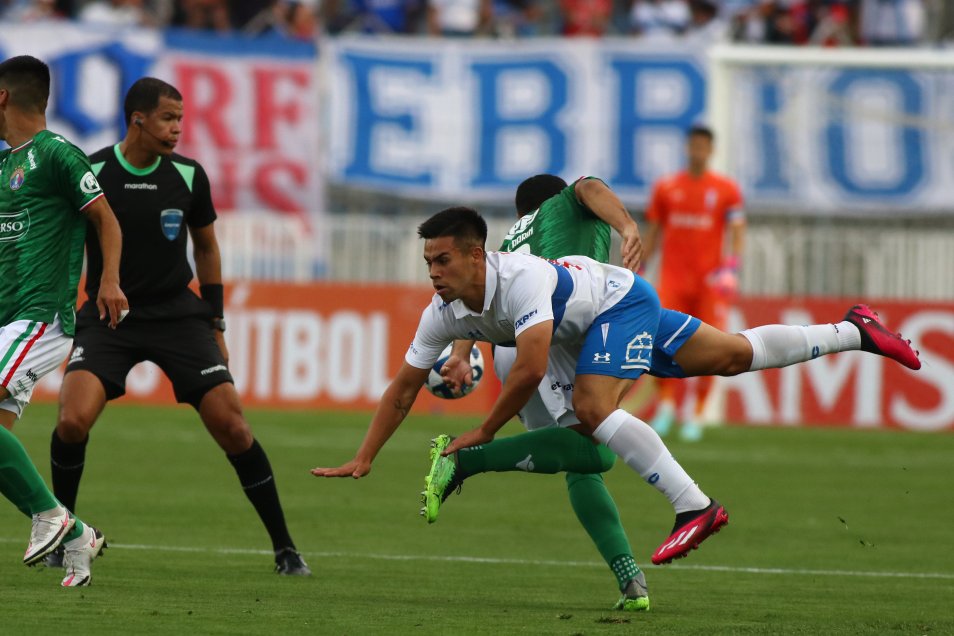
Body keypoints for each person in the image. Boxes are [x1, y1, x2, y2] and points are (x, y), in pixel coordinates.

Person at [312, 206, 920, 594]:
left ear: (477, 255)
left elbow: (529, 368)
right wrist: (364, 457)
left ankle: (694, 506)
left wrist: (485, 431)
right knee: (734, 355)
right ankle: (855, 330)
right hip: (593, 322)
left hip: (621, 303)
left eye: (442, 259)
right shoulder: (441, 312)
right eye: (427, 262)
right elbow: (403, 389)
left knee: (593, 410)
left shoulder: (520, 279)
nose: (433, 272)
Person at [45, 77, 310, 576]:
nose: (177, 129)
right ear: (137, 120)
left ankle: (285, 548)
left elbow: (206, 249)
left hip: (177, 317)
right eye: (168, 119)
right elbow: (63, 241)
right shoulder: (93, 171)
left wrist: (217, 322)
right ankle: (61, 534)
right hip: (109, 318)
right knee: (71, 421)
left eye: (181, 120)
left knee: (234, 427)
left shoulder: (189, 175)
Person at [444, 175, 651, 611]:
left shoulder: (508, 242)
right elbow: (589, 187)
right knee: (596, 451)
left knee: (578, 459)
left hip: (510, 351)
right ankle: (464, 459)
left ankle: (630, 578)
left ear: (520, 212)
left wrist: (461, 353)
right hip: (555, 333)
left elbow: (479, 295)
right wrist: (628, 226)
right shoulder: (563, 204)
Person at [0, 55, 127, 587]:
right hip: (8, 321)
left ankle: (50, 516)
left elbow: (105, 218)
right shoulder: (6, 166)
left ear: (3, 97)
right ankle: (75, 533)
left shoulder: (57, 153)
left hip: (40, 318)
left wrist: (108, 281)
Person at [643, 125, 746, 441]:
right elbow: (654, 232)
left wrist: (731, 267)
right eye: (693, 146)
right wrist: (641, 267)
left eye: (703, 147)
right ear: (687, 148)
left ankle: (697, 413)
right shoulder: (666, 187)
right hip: (672, 280)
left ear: (711, 150)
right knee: (657, 339)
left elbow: (737, 230)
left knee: (713, 345)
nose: (697, 152)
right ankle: (666, 406)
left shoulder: (726, 189)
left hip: (708, 284)